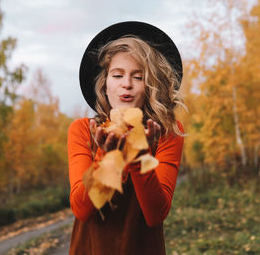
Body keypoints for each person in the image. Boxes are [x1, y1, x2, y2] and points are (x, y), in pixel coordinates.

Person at [68, 21, 185, 255]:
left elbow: (155, 215)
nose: (127, 84)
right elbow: (82, 210)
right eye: (118, 75)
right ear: (105, 84)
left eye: (138, 77)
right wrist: (108, 153)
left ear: (150, 85)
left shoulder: (167, 133)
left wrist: (137, 153)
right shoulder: (82, 130)